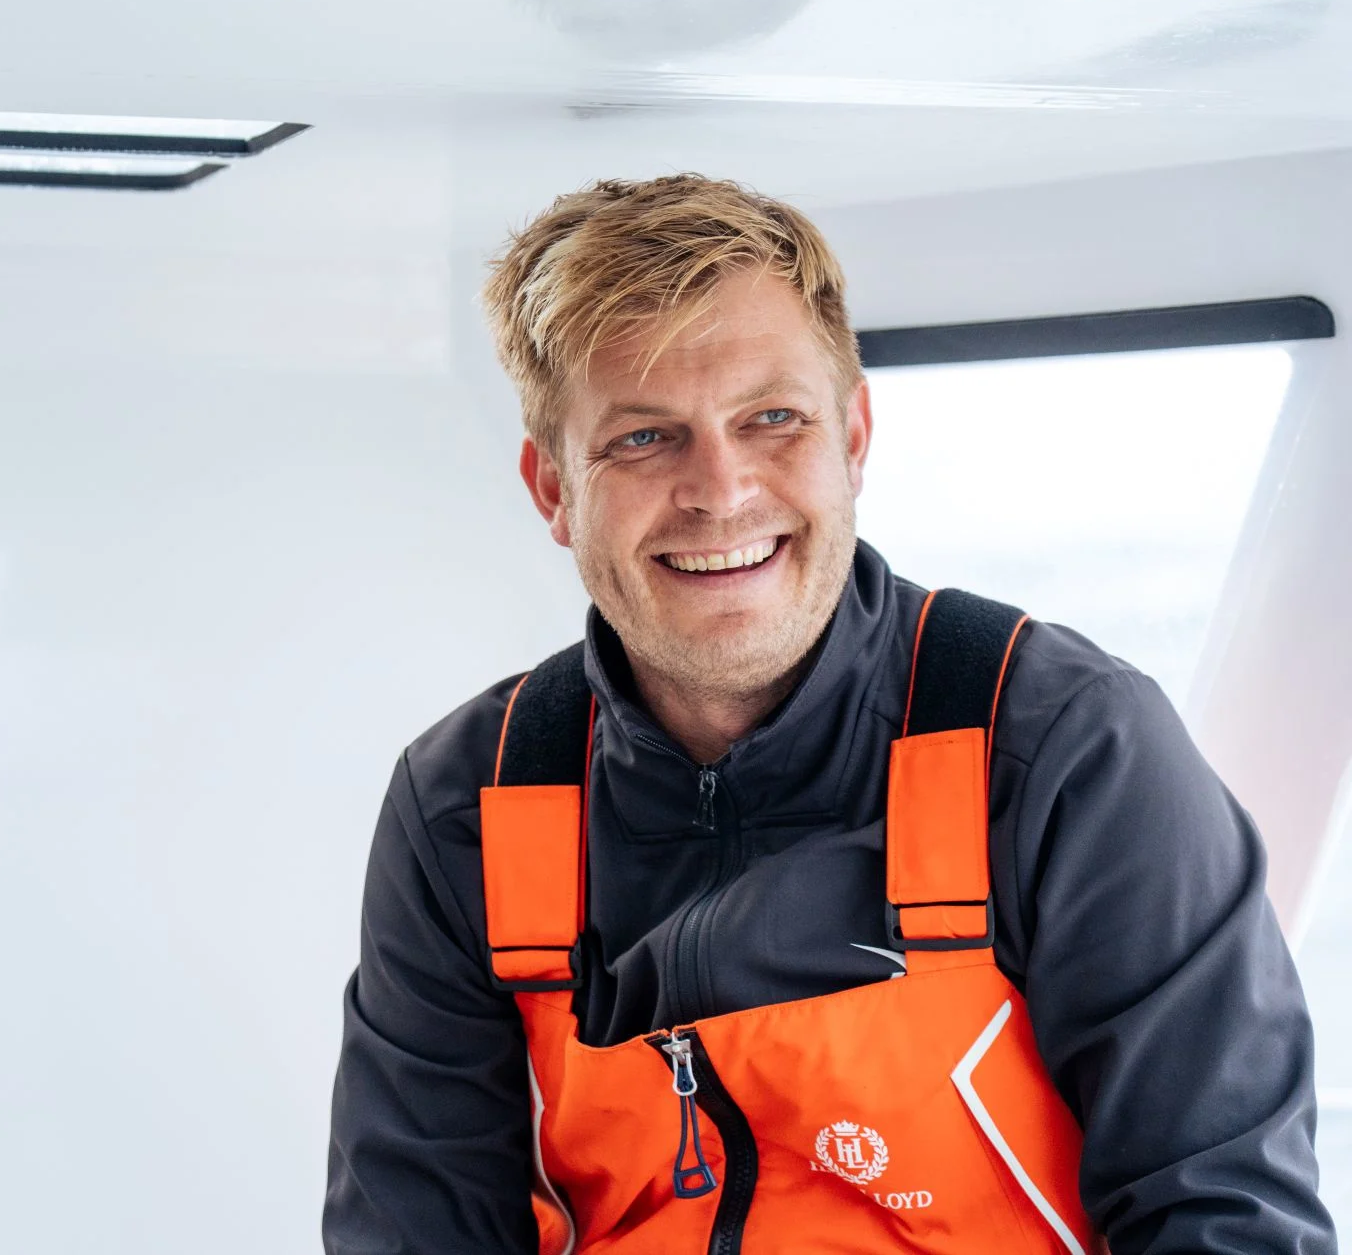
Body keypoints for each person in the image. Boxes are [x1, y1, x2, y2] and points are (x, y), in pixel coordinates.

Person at [322, 174, 1333, 1253]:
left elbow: (1225, 1218)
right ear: (553, 490)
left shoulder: (1064, 749)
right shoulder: (466, 805)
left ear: (852, 436)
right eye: (644, 438)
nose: (721, 490)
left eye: (773, 419)